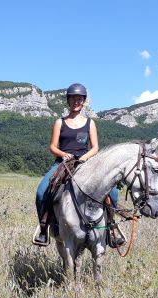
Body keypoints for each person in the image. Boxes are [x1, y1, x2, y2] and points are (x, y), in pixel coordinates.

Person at [33, 83, 124, 247]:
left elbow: (95, 147)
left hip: (86, 163)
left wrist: (84, 158)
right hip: (63, 163)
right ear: (68, 100)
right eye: (74, 98)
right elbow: (52, 147)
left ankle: (111, 229)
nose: (77, 101)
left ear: (83, 102)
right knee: (41, 192)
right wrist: (63, 154)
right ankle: (43, 229)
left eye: (80, 99)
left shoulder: (90, 123)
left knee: (114, 193)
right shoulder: (59, 122)